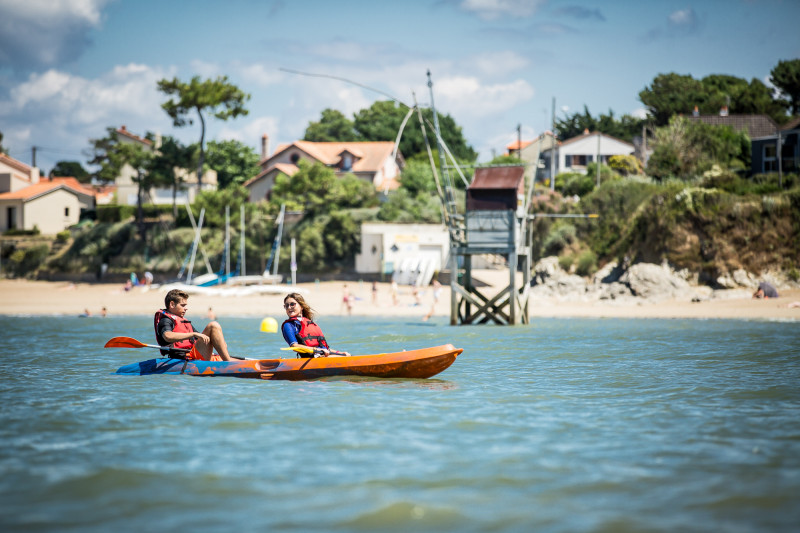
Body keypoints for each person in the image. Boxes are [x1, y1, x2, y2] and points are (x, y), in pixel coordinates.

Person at [154, 289, 233, 361]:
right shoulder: (165, 320)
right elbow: (167, 336)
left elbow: (204, 338)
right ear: (172, 304)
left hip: (194, 354)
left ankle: (229, 361)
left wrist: (220, 342)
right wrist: (193, 334)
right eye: (183, 305)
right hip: (184, 357)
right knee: (213, 325)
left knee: (214, 329)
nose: (186, 308)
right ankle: (229, 364)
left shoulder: (184, 321)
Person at [281, 292, 349, 357]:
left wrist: (340, 353)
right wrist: (317, 350)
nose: (289, 307)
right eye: (286, 306)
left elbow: (324, 348)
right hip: (310, 359)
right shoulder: (288, 325)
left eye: (292, 304)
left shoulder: (309, 323)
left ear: (301, 306)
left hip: (322, 355)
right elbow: (294, 346)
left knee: (347, 356)